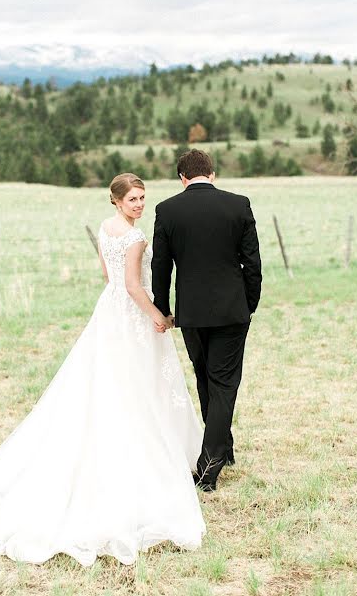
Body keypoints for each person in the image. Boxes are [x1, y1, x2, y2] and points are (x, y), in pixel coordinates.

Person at [0, 173, 205, 567]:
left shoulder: (105, 229)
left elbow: (106, 276)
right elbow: (133, 286)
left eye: (143, 198)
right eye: (133, 199)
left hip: (108, 312)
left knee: (111, 382)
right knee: (137, 385)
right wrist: (158, 316)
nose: (139, 205)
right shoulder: (135, 238)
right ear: (116, 200)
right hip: (131, 313)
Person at [152, 150, 262, 492]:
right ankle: (214, 458)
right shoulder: (238, 205)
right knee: (224, 383)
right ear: (211, 174)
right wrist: (249, 303)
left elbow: (161, 266)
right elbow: (252, 263)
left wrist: (163, 307)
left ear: (182, 178)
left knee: (205, 378)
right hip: (232, 310)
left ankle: (217, 453)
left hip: (192, 313)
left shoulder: (167, 210)